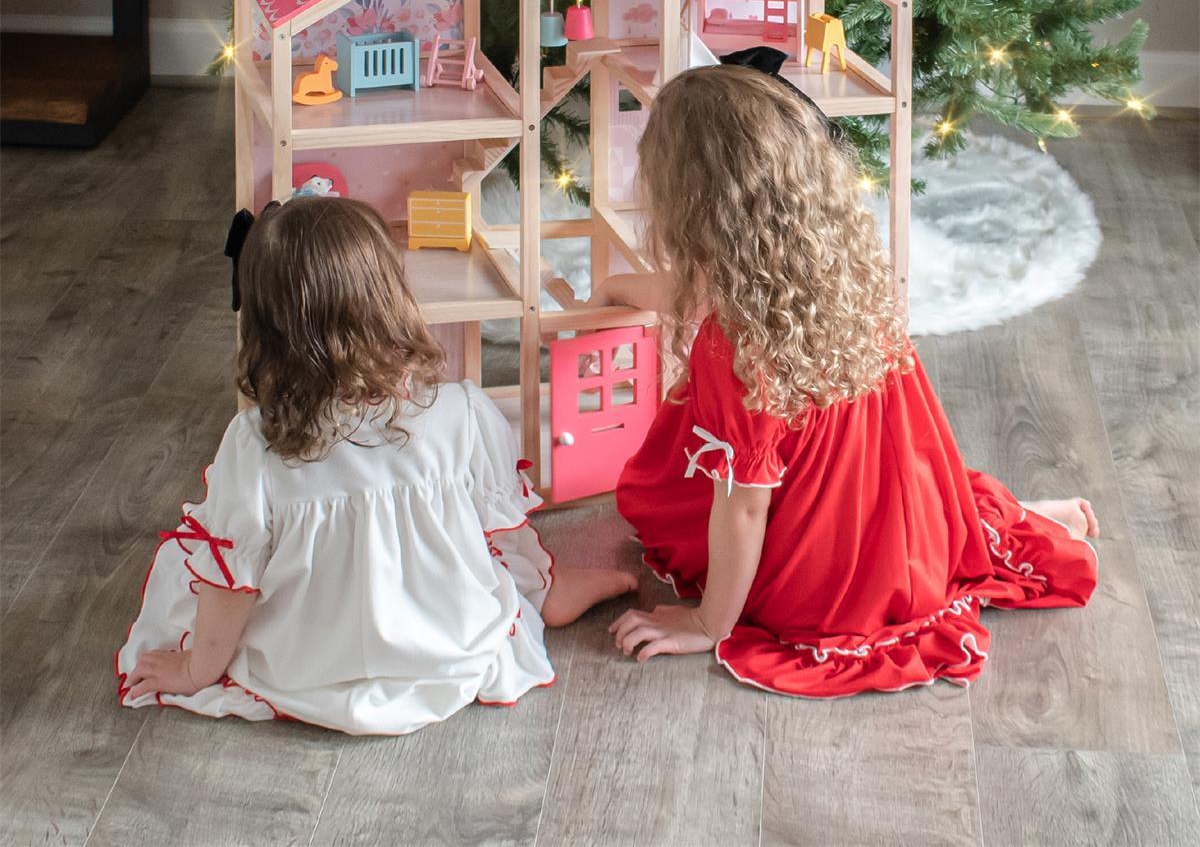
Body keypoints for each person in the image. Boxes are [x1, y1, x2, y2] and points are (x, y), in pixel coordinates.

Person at [596, 56, 1098, 697]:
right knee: (936, 515)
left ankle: (1012, 524)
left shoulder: (737, 350)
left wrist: (707, 622)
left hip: (832, 574)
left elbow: (744, 509)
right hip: (891, 504)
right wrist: (615, 287)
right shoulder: (832, 269)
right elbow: (697, 291)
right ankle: (1011, 522)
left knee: (670, 499)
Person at [116, 198, 634, 733]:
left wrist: (196, 669)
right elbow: (501, 531)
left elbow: (232, 584)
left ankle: (541, 592)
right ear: (391, 298)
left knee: (197, 568)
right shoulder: (461, 411)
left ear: (264, 328)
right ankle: (547, 590)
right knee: (496, 543)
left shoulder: (253, 446)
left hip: (309, 662)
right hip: (446, 642)